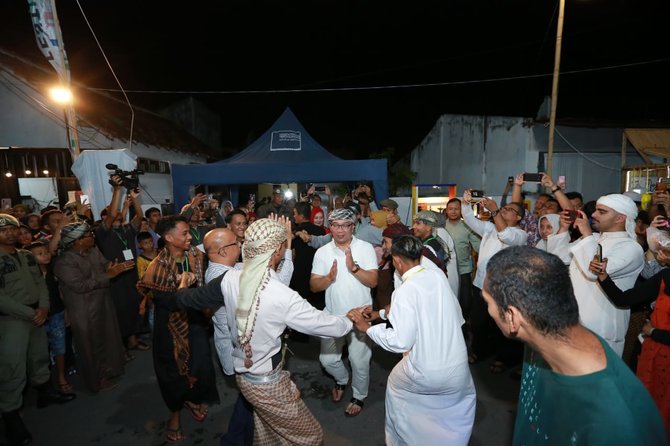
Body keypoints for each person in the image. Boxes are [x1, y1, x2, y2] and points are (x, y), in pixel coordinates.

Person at [171, 218, 353, 444]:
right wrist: (351, 319)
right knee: (311, 436)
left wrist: (181, 286)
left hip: (245, 378)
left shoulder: (227, 279)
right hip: (267, 385)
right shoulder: (282, 296)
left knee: (267, 435)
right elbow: (330, 327)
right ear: (277, 249)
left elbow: (186, 299)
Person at [482, 246, 666, 445]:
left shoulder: (618, 424)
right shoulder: (541, 336)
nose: (488, 311)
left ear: (512, 317)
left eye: (488, 302)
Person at [348, 235, 476, 446]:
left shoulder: (405, 290)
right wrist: (380, 313)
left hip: (427, 372)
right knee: (451, 411)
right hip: (458, 369)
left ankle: (403, 439)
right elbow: (428, 310)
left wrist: (367, 329)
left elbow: (401, 341)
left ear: (397, 261)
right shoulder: (436, 277)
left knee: (396, 388)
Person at [137, 215, 219, 443]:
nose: (189, 237)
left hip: (195, 321)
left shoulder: (196, 256)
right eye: (184, 233)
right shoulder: (157, 268)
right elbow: (168, 303)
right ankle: (174, 415)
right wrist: (183, 286)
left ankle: (192, 399)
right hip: (170, 327)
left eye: (189, 231)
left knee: (199, 364)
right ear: (168, 238)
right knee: (173, 371)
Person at [0, 214, 76, 446]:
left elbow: (41, 283)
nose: (10, 233)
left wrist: (43, 306)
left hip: (37, 314)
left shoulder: (26, 256)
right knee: (12, 368)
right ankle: (11, 417)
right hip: (12, 319)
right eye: (4, 230)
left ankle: (45, 393)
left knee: (40, 357)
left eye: (13, 229)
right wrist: (29, 313)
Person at [551, 194, 644, 356]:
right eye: (595, 211)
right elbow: (557, 259)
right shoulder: (593, 238)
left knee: (598, 380)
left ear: (620, 218)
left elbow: (594, 272)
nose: (593, 215)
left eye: (602, 211)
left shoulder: (631, 248)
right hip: (574, 321)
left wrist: (587, 234)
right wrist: (564, 228)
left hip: (601, 327)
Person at [590, 254, 670, 438]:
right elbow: (623, 299)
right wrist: (603, 275)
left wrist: (655, 333)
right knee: (646, 416)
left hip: (658, 348)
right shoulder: (665, 276)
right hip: (653, 359)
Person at [310, 207, 378, 416]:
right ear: (330, 227)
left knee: (359, 360)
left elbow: (374, 281)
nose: (340, 231)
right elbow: (314, 286)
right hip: (333, 315)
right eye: (335, 225)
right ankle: (342, 379)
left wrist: (354, 268)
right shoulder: (322, 252)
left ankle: (359, 395)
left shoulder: (365, 248)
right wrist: (328, 278)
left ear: (353, 226)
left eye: (345, 226)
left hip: (361, 315)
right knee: (328, 360)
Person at [53, 221, 129, 392]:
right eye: (88, 235)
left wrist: (112, 267)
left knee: (107, 337)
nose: (92, 237)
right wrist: (108, 275)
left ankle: (109, 370)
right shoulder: (64, 262)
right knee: (90, 345)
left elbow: (104, 265)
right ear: (77, 240)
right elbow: (80, 286)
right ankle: (96, 379)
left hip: (102, 302)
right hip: (83, 309)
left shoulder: (93, 251)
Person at [461, 190, 527, 366]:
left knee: (502, 325)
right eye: (503, 208)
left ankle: (502, 358)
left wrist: (495, 211)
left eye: (509, 209)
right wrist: (466, 203)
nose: (504, 209)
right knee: (478, 323)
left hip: (502, 288)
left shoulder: (520, 235)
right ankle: (479, 350)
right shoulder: (490, 228)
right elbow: (469, 220)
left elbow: (506, 236)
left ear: (518, 217)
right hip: (481, 284)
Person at [25, 241, 72, 394]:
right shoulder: (28, 276)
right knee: (40, 352)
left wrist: (66, 310)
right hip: (37, 317)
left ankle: (61, 376)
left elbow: (59, 291)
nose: (45, 255)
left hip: (57, 313)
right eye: (39, 254)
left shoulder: (52, 269)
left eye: (45, 251)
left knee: (60, 347)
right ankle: (44, 383)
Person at [444, 198, 481, 320]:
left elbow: (479, 246)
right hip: (446, 270)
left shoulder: (468, 226)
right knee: (448, 299)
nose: (453, 211)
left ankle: (464, 325)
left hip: (464, 269)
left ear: (461, 211)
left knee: (465, 301)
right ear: (446, 211)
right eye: (450, 209)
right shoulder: (441, 226)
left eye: (456, 208)